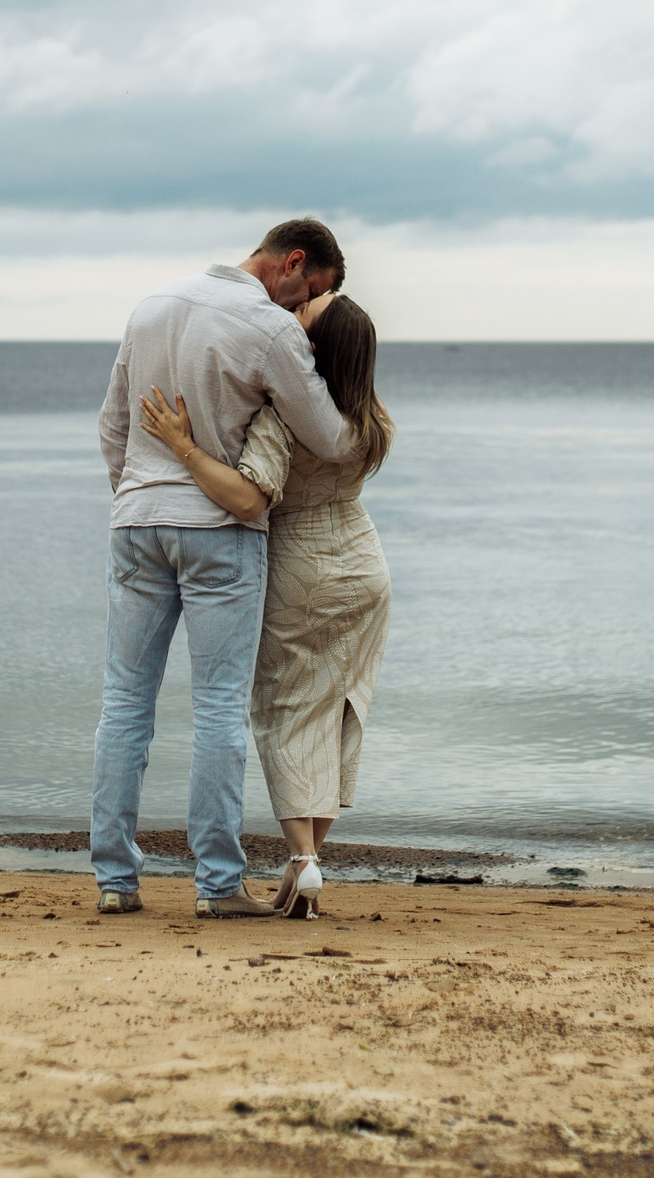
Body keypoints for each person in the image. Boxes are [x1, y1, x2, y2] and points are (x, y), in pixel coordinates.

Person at [92, 219, 363, 919]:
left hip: (135, 520)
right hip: (220, 527)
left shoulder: (151, 305)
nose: (301, 311)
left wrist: (135, 494)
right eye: (312, 293)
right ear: (293, 263)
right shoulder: (266, 328)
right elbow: (329, 438)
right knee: (218, 707)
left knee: (125, 699)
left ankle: (115, 879)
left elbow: (112, 426)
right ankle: (215, 884)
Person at [138, 288, 393, 921]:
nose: (295, 313)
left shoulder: (287, 417)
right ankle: (305, 869)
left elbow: (250, 495)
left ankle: (304, 860)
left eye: (305, 314)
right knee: (336, 710)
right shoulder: (371, 419)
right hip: (364, 567)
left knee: (283, 710)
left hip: (299, 569)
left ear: (314, 347)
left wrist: (183, 447)